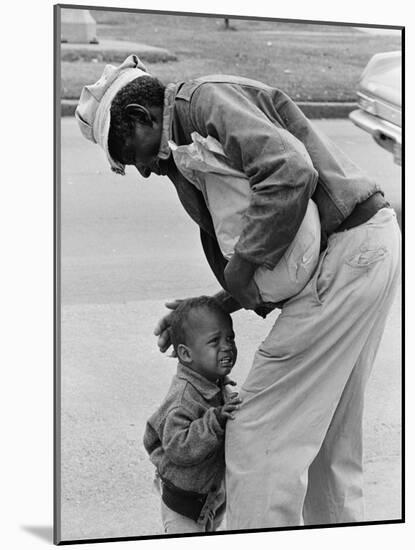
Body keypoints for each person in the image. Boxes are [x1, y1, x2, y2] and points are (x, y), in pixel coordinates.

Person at [76, 55, 401, 529]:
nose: (142, 170)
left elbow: (288, 172)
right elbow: (263, 252)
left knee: (256, 436)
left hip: (346, 259)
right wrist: (210, 306)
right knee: (328, 443)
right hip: (365, 249)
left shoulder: (204, 102)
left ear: (141, 117)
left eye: (130, 155)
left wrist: (242, 270)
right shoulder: (185, 133)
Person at [142, 296, 241, 533]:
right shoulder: (182, 400)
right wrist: (214, 420)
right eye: (215, 341)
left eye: (230, 338)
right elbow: (179, 447)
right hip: (183, 506)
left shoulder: (211, 383)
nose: (226, 346)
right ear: (186, 355)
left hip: (210, 497)